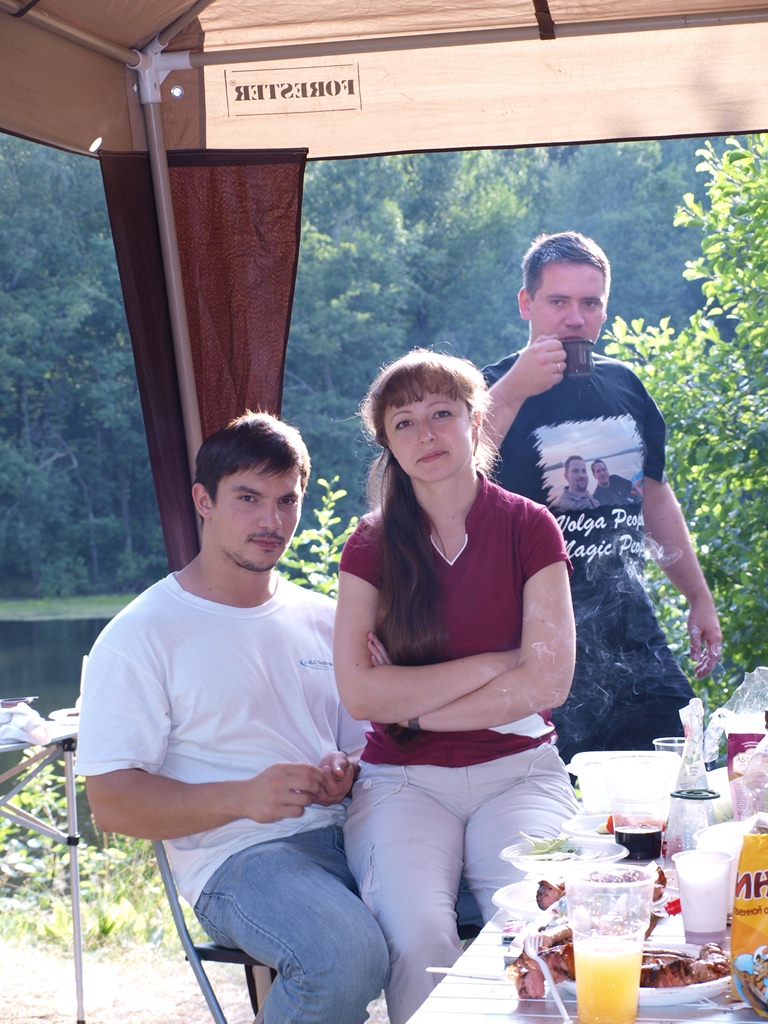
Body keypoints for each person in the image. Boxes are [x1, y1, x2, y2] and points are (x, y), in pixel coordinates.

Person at [75, 412, 390, 1024]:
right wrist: (244, 796)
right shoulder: (141, 634)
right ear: (204, 501)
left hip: (356, 831)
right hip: (237, 858)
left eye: (286, 500)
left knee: (507, 906)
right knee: (344, 955)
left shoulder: (326, 618)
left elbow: (364, 745)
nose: (271, 521)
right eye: (248, 498)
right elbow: (112, 804)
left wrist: (345, 769)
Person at [333, 350, 579, 1024]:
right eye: (404, 422)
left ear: (476, 420)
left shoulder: (530, 526)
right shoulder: (369, 544)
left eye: (442, 413)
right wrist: (498, 662)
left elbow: (549, 678)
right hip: (402, 783)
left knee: (536, 936)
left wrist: (413, 705)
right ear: (388, 443)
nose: (426, 434)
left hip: (520, 773)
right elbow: (361, 696)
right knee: (420, 941)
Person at [482, 231, 722, 765]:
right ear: (526, 303)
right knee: (564, 795)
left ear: (605, 309)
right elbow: (449, 479)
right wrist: (517, 387)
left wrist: (697, 596)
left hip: (631, 628)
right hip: (531, 638)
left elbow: (653, 498)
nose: (575, 319)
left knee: (685, 770)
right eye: (558, 302)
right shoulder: (489, 389)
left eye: (590, 303)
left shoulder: (625, 385)